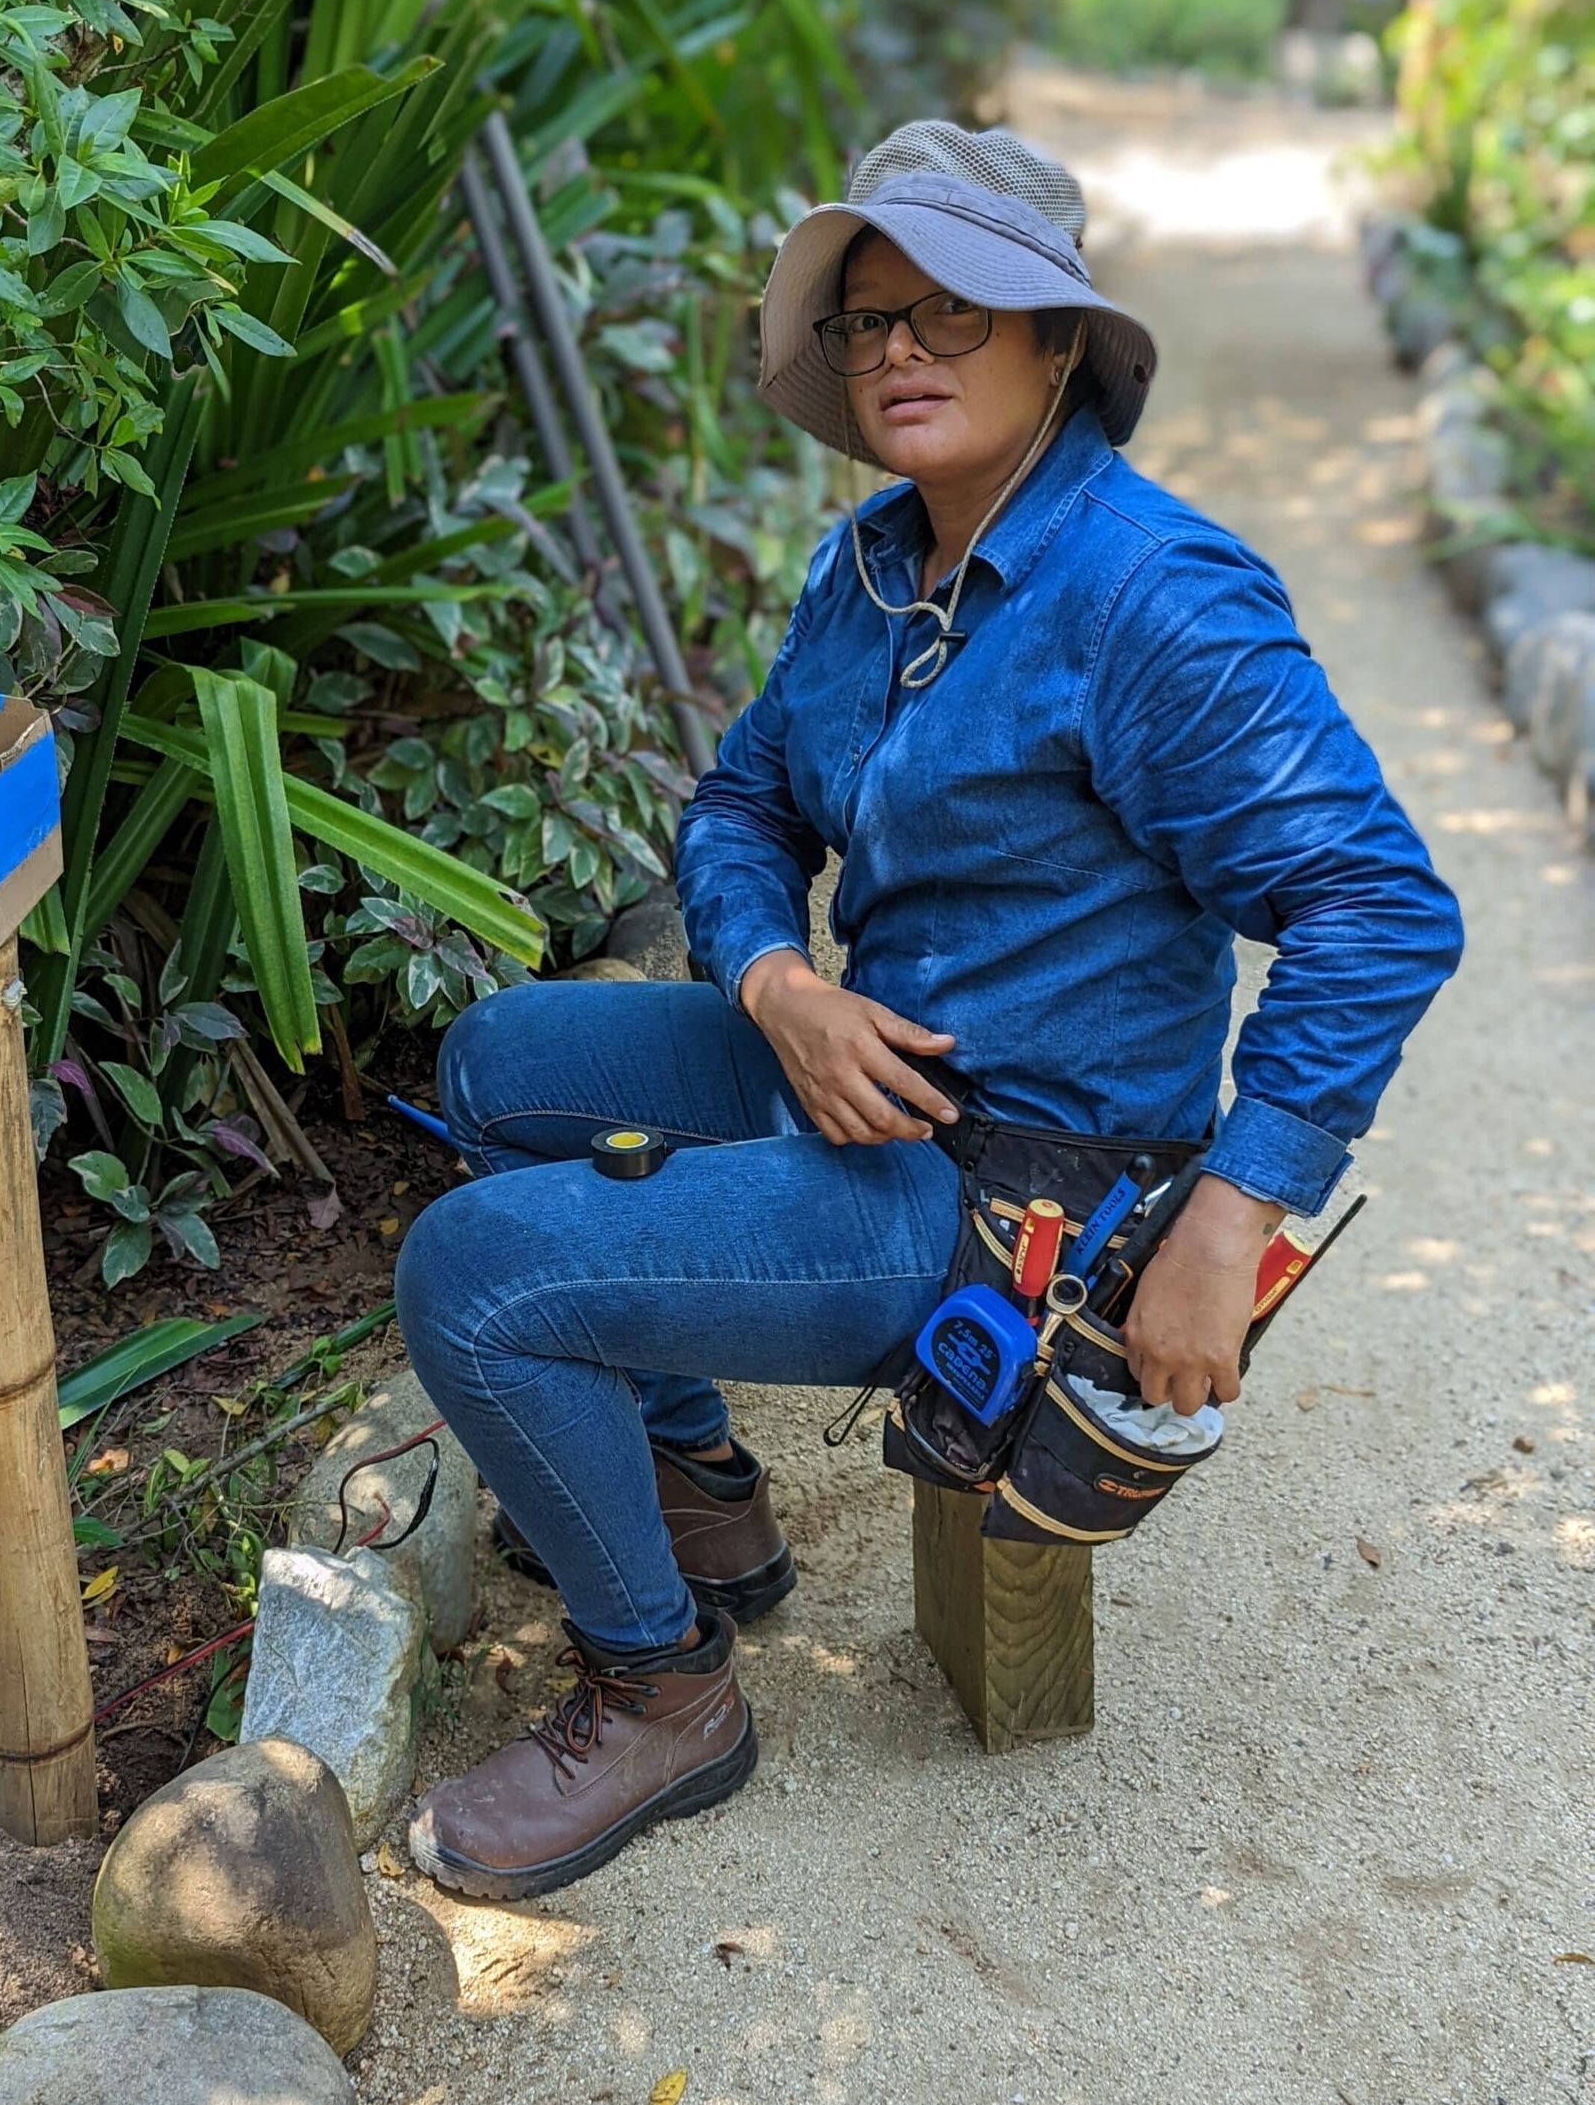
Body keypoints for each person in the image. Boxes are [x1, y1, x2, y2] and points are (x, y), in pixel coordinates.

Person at [393, 120, 1463, 1903]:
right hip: (852, 1061)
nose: (898, 348)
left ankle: (664, 1694)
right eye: (870, 319)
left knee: (473, 1275)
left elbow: (1379, 903)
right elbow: (742, 804)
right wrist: (777, 979)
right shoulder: (871, 565)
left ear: (1058, 343)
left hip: (1001, 1197)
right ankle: (703, 1495)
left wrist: (1231, 1210)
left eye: (953, 313)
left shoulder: (1151, 600)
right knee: (499, 1066)